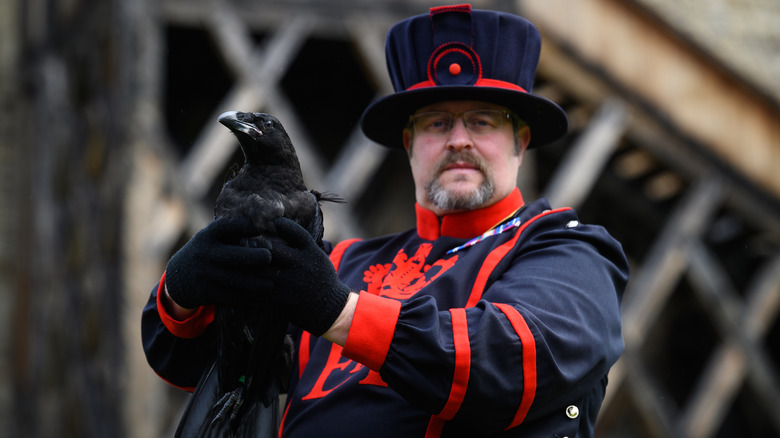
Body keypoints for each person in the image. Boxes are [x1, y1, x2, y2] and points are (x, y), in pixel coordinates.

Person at [142, 4, 629, 437]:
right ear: (409, 143)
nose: (459, 139)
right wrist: (185, 289)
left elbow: (511, 361)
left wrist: (338, 312)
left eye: (483, 120)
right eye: (437, 123)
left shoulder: (569, 252)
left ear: (521, 141)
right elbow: (204, 361)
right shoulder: (343, 261)